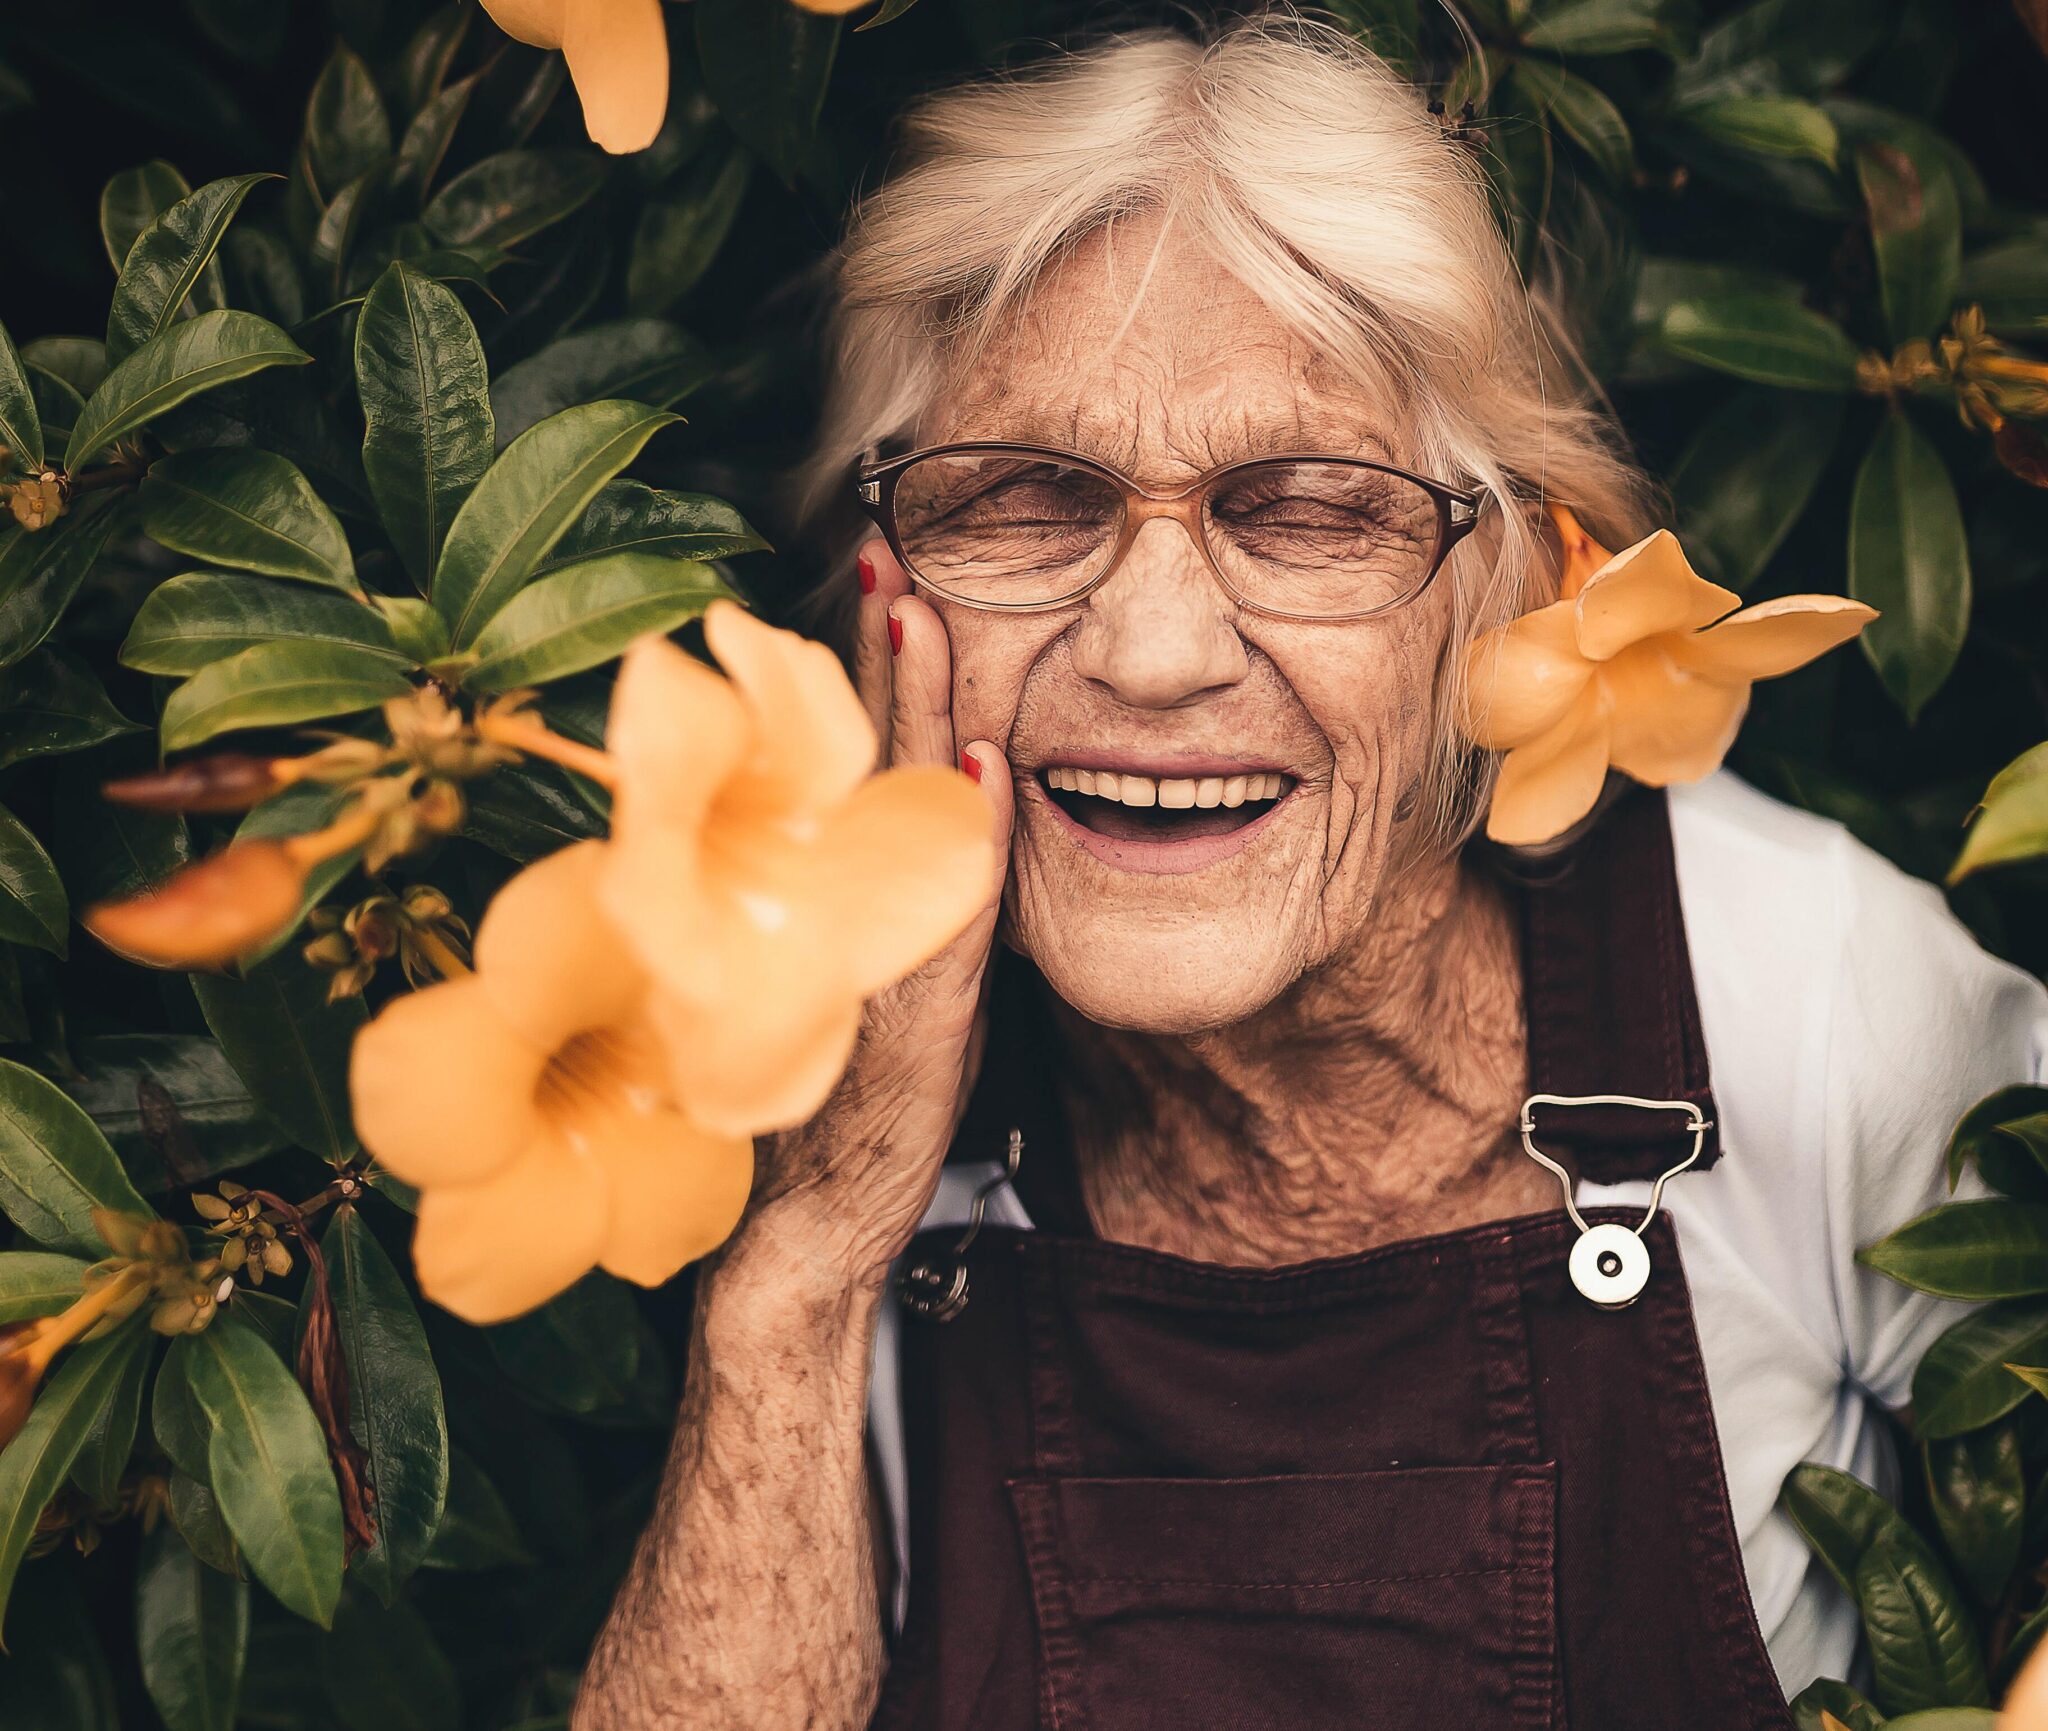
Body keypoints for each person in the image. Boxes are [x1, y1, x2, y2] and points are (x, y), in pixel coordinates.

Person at [573, 16, 2048, 1729]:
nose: (1149, 649)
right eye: (1026, 500)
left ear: (1491, 591)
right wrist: (811, 1262)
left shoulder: (1801, 991)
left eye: (1309, 508)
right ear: (883, 593)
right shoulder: (833, 1071)